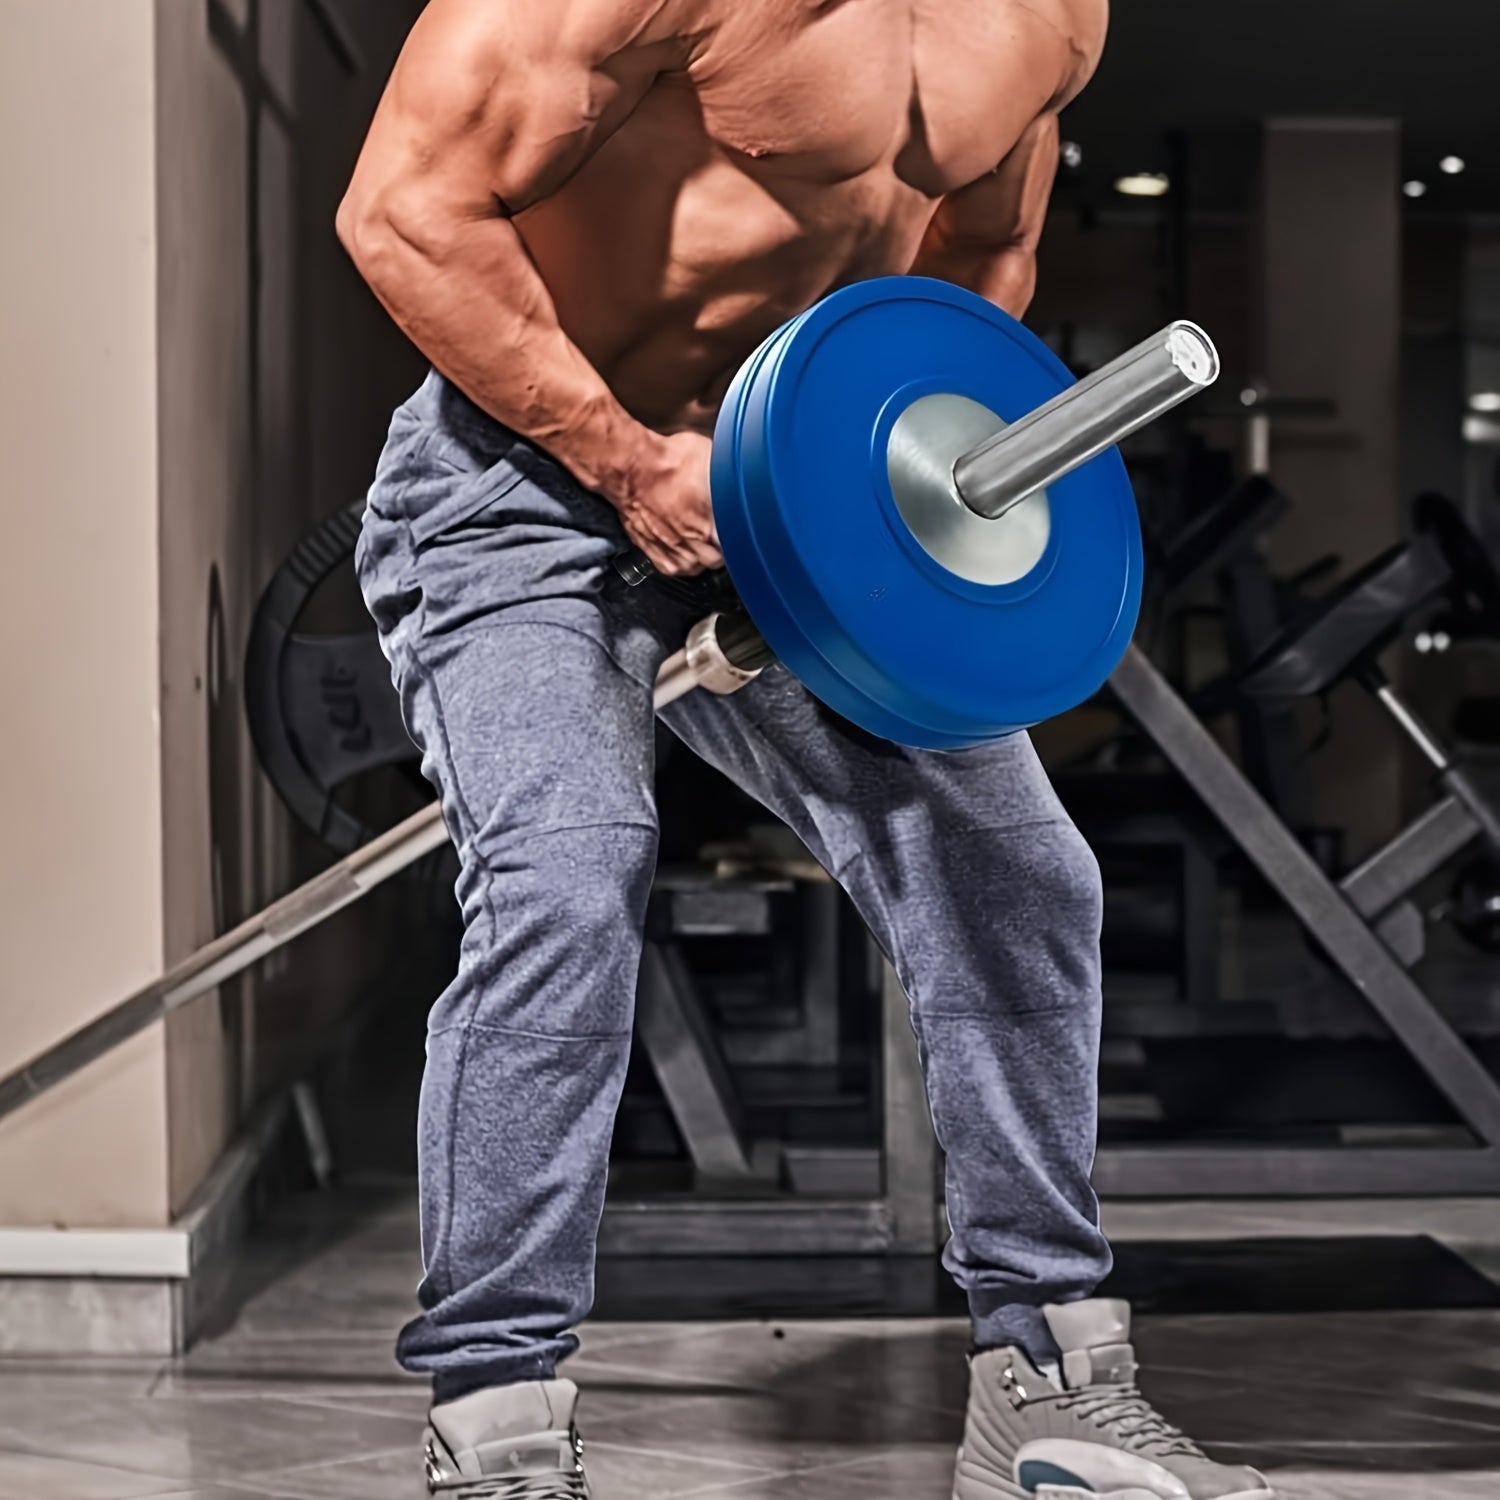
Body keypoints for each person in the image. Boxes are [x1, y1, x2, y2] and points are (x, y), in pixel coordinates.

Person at [339, 3, 1272, 1496]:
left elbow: (980, 260)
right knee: (568, 876)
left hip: (790, 501)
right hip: (522, 481)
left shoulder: (1051, 17)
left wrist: (875, 479)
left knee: (1018, 877)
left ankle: (1046, 1382)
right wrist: (626, 461)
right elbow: (402, 210)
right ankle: (495, 1420)